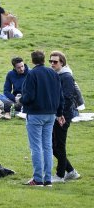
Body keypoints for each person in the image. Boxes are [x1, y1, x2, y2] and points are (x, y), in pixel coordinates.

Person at [20, 50, 63, 186]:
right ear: (44, 60)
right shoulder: (53, 74)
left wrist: (21, 100)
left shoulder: (32, 74)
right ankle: (48, 179)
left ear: (32, 61)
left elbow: (29, 96)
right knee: (47, 146)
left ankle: (38, 178)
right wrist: (59, 112)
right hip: (51, 114)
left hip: (35, 114)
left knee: (36, 147)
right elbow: (60, 96)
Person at [49, 51, 81, 183]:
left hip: (63, 115)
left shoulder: (66, 76)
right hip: (58, 114)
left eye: (55, 62)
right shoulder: (58, 75)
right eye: (50, 61)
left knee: (58, 145)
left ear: (62, 62)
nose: (52, 64)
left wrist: (60, 115)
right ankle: (71, 171)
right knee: (52, 145)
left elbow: (67, 97)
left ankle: (60, 175)